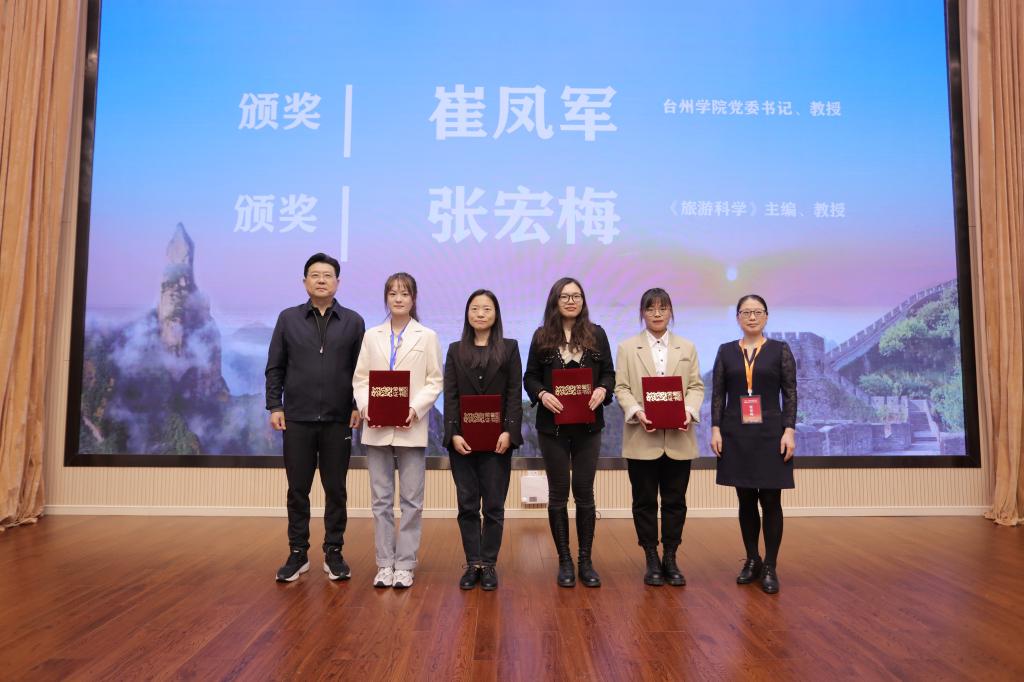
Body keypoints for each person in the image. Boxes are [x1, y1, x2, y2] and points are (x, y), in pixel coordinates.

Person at [266, 253, 365, 582]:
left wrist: (357, 405)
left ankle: (334, 552)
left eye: (327, 275)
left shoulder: (353, 321)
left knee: (336, 489)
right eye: (315, 275)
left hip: (339, 419)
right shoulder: (288, 318)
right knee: (298, 489)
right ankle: (297, 553)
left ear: (338, 282)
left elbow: (361, 371)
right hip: (297, 418)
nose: (321, 280)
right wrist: (275, 406)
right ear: (304, 281)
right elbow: (275, 367)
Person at [353, 272, 443, 589]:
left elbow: (434, 380)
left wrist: (414, 409)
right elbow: (361, 379)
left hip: (410, 426)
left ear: (413, 298)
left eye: (404, 293)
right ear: (386, 298)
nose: (399, 298)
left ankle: (404, 564)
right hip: (377, 426)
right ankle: (384, 563)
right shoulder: (371, 336)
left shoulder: (427, 336)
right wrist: (367, 407)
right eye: (393, 293)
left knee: (411, 500)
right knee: (380, 499)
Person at [524, 277, 614, 588]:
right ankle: (564, 560)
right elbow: (530, 377)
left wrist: (603, 389)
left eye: (576, 296)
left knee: (585, 492)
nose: (571, 301)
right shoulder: (541, 336)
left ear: (583, 301)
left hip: (589, 427)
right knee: (558, 493)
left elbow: (609, 373)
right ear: (555, 301)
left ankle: (585, 561)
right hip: (553, 428)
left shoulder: (597, 334)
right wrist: (541, 394)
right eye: (565, 296)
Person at [614, 288, 704, 587]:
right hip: (642, 438)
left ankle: (671, 557)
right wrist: (637, 411)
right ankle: (651, 557)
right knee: (644, 501)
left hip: (679, 437)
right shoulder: (628, 348)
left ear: (671, 312)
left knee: (675, 501)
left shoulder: (687, 347)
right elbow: (621, 388)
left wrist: (688, 412)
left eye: (662, 308)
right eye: (650, 308)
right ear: (642, 313)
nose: (656, 313)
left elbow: (696, 387)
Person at [710, 294, 797, 594]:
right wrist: (716, 429)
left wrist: (789, 430)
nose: (751, 317)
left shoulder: (780, 350)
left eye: (757, 312)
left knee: (771, 500)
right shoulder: (725, 352)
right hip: (736, 433)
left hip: (772, 433)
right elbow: (718, 394)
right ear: (737, 317)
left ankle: (770, 565)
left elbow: (790, 392)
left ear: (766, 316)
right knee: (745, 500)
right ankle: (752, 559)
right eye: (746, 312)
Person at [443, 290, 522, 591]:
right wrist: (453, 433)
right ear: (467, 313)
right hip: (462, 442)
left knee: (493, 505)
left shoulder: (509, 348)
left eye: (486, 309)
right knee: (467, 505)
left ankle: (488, 564)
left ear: (496, 314)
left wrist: (508, 431)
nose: (480, 313)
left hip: (498, 441)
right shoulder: (455, 350)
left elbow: (514, 393)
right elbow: (450, 395)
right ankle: (473, 563)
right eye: (474, 308)